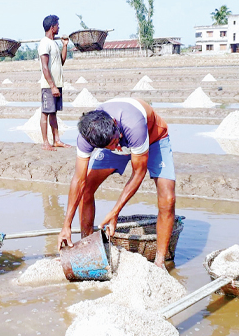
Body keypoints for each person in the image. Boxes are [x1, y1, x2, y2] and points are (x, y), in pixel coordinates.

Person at [57, 98, 176, 269]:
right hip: (116, 139)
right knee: (86, 189)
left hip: (152, 138)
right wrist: (66, 225)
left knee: (168, 199)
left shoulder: (133, 125)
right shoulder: (87, 137)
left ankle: (159, 262)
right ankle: (88, 246)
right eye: (108, 146)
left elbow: (138, 173)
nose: (114, 148)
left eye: (113, 143)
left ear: (113, 123)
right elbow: (78, 180)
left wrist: (115, 211)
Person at [38, 15, 71, 151]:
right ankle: (46, 142)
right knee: (45, 113)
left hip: (57, 84)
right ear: (52, 27)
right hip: (48, 86)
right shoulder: (44, 43)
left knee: (54, 113)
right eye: (57, 25)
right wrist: (52, 86)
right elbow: (45, 67)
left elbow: (61, 63)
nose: (59, 27)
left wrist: (64, 46)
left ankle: (56, 140)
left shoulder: (54, 44)